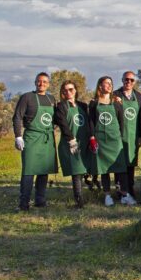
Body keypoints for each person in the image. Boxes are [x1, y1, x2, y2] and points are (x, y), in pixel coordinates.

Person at [13, 72, 57, 211]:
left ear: (48, 84)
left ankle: (40, 200)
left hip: (47, 139)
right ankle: (24, 203)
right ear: (35, 82)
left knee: (44, 170)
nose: (41, 84)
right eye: (39, 81)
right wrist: (18, 136)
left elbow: (56, 118)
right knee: (29, 171)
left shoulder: (51, 99)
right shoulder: (27, 97)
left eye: (44, 82)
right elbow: (17, 117)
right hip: (32, 138)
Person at [88, 76, 135, 206]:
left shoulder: (116, 102)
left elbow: (121, 121)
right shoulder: (93, 103)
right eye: (106, 83)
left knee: (121, 168)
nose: (109, 85)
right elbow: (91, 121)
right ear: (100, 86)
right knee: (104, 169)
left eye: (110, 83)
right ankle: (107, 195)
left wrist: (119, 136)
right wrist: (92, 137)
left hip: (115, 140)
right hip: (101, 141)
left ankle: (125, 194)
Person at [53, 80, 90, 208]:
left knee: (84, 169)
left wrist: (91, 138)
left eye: (71, 89)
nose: (68, 92)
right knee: (76, 170)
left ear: (75, 90)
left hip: (84, 142)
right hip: (71, 143)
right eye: (65, 90)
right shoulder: (61, 106)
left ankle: (89, 192)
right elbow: (63, 124)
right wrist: (71, 139)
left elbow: (89, 122)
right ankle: (79, 200)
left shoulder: (83, 105)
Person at [113, 71, 141, 199]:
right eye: (126, 79)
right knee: (119, 164)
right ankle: (120, 191)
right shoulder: (115, 95)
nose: (129, 82)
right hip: (120, 135)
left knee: (131, 164)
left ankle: (130, 190)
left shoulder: (139, 96)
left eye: (131, 80)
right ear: (122, 80)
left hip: (134, 136)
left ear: (134, 82)